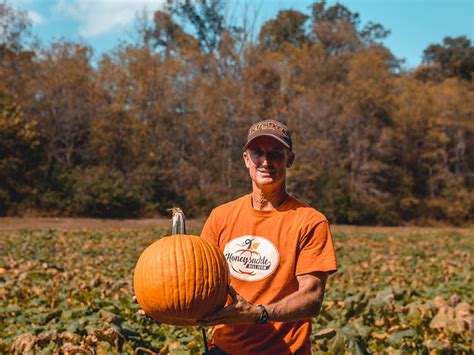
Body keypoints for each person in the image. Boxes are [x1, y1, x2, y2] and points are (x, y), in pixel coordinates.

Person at [199, 119, 338, 354]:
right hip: (223, 349)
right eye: (258, 152)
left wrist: (260, 314)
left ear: (289, 160)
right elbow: (199, 279)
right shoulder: (220, 216)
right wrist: (163, 304)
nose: (266, 161)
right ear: (246, 159)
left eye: (275, 153)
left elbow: (312, 297)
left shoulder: (310, 221)